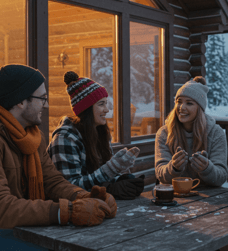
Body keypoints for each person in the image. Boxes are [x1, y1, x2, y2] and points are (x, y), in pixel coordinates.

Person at [0, 64, 117, 230]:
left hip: (27, 229)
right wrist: (67, 211)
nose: (46, 105)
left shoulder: (34, 138)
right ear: (20, 101)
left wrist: (85, 196)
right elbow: (2, 208)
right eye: (42, 99)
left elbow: (52, 182)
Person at [48, 71, 144, 200]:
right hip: (71, 211)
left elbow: (99, 173)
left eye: (106, 103)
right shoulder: (65, 138)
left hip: (96, 205)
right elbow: (69, 187)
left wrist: (120, 178)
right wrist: (111, 170)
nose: (106, 109)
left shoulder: (99, 132)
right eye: (101, 104)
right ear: (86, 109)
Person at [155, 76, 228, 186]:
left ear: (200, 108)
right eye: (179, 102)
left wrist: (207, 168)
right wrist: (173, 167)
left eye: (189, 103)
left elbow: (221, 177)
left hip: (209, 198)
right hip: (173, 196)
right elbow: (160, 174)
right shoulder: (164, 133)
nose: (182, 107)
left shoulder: (215, 133)